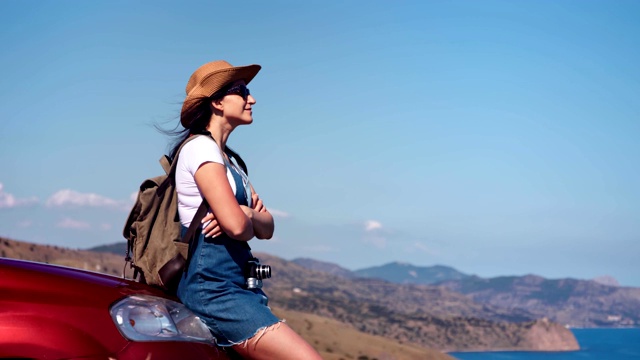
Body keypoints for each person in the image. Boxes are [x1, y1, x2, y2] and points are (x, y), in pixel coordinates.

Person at [168, 60, 322, 360]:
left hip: (236, 287)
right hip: (214, 291)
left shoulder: (231, 162)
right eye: (242, 91)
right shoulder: (200, 150)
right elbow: (239, 229)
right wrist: (245, 217)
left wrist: (248, 214)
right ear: (217, 102)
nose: (252, 99)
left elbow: (267, 227)